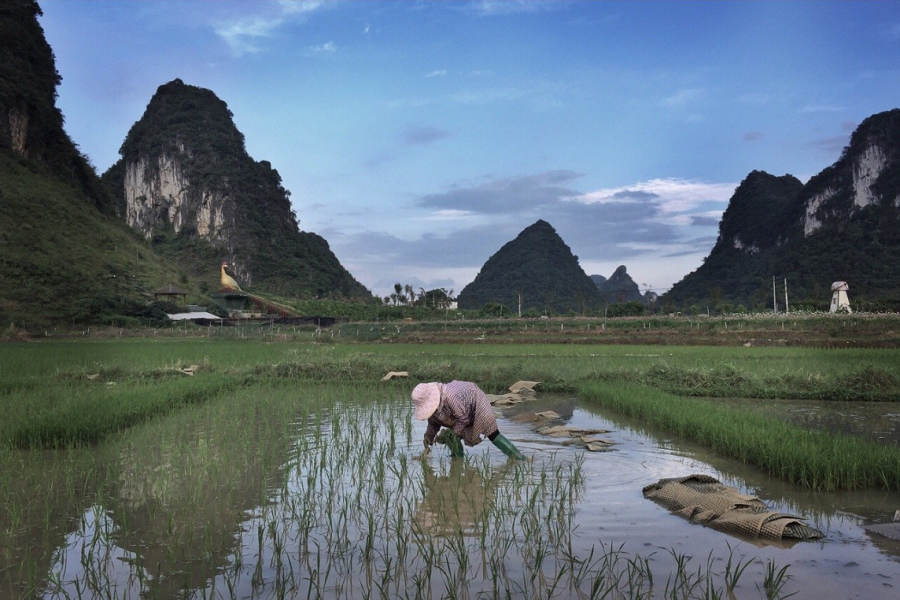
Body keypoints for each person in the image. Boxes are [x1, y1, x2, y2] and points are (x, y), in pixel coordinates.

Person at [411, 381, 525, 460]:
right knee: (452, 436)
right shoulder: (434, 409)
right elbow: (433, 423)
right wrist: (428, 437)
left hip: (476, 402)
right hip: (461, 413)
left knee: (492, 433)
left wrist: (452, 433)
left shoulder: (450, 397)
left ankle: (519, 458)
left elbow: (463, 419)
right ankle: (457, 460)